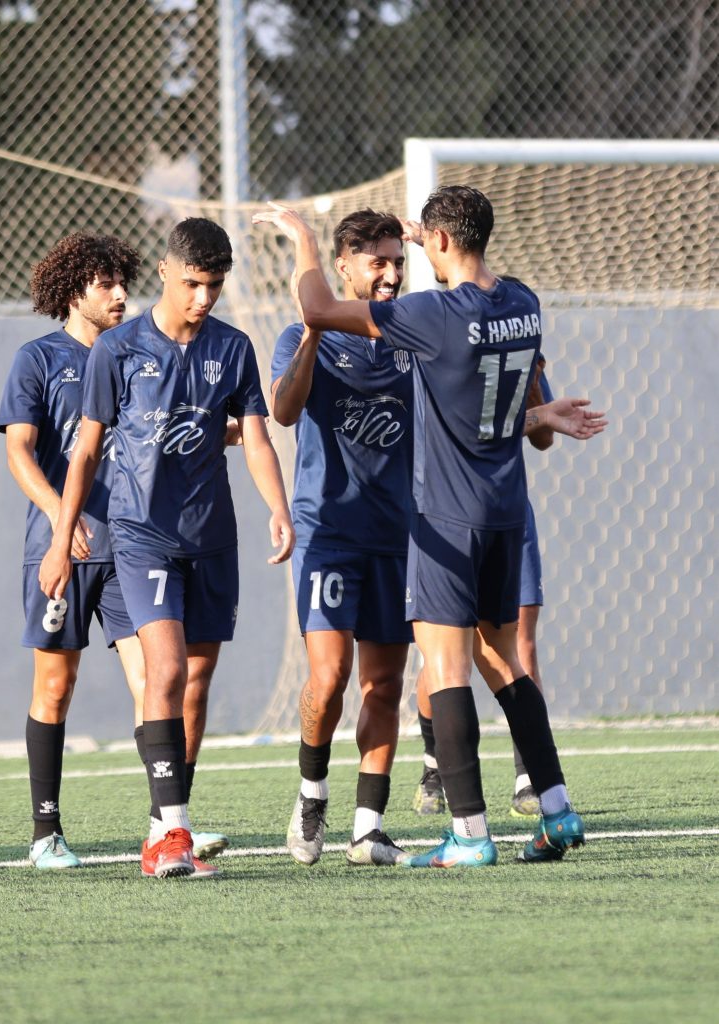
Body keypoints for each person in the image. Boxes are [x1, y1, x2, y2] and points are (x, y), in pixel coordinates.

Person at [254, 186, 606, 867]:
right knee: (503, 661)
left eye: (409, 252)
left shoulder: (430, 318)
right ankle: (557, 811)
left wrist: (303, 238)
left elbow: (317, 307)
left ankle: (467, 834)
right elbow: (480, 403)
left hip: (445, 516)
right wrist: (540, 416)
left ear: (437, 242)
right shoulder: (523, 302)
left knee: (445, 668)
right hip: (504, 512)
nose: (397, 270)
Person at [39, 217, 295, 879]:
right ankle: (176, 832)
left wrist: (278, 507)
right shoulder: (117, 350)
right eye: (192, 283)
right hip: (141, 536)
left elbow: (256, 437)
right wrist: (61, 538)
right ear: (164, 271)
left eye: (214, 285)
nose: (203, 297)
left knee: (196, 684)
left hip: (212, 539)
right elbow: (86, 451)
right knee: (167, 671)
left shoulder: (232, 348)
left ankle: (163, 829)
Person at [0, 232, 145, 869]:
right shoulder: (37, 359)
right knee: (56, 686)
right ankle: (46, 834)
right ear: (73, 290)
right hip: (60, 551)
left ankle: (168, 825)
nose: (120, 294)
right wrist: (63, 518)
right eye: (105, 283)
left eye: (123, 282)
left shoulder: (139, 355)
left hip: (134, 549)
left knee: (155, 681)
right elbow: (18, 451)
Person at [271, 209, 412, 867]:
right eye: (377, 262)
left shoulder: (412, 337)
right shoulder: (304, 334)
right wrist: (312, 331)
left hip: (395, 540)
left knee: (384, 685)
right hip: (328, 535)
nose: (390, 275)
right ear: (344, 267)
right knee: (328, 678)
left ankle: (367, 827)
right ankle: (311, 793)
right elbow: (283, 410)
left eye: (397, 262)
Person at [412, 354, 556, 819]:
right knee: (443, 656)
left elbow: (544, 437)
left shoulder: (517, 344)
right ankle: (434, 766)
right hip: (446, 519)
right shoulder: (440, 343)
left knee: (518, 648)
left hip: (508, 515)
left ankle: (528, 777)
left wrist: (534, 381)